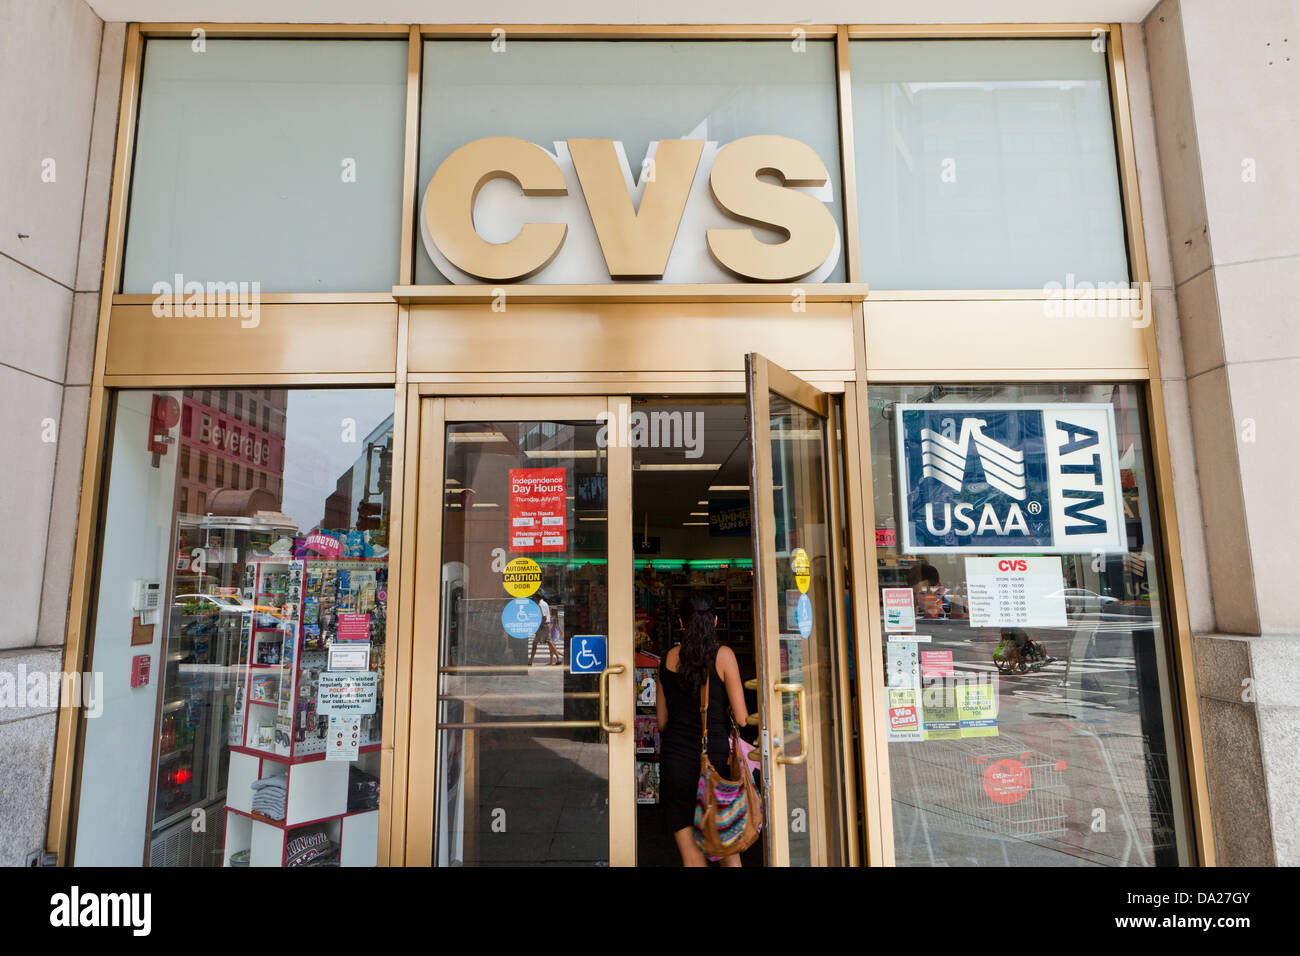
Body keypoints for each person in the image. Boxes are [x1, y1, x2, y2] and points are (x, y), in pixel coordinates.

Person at [655, 592, 750, 867]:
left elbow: (662, 721)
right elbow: (742, 718)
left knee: (692, 860)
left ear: (682, 624)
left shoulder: (667, 658)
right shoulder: (725, 657)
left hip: (676, 765)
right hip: (714, 763)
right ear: (715, 621)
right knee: (728, 846)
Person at [530, 590, 563, 666]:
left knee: (536, 643)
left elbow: (544, 617)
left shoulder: (541, 605)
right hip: (545, 625)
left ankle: (530, 661)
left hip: (543, 626)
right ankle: (558, 658)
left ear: (537, 598)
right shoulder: (544, 603)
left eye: (534, 598)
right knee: (547, 642)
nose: (533, 599)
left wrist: (540, 627)